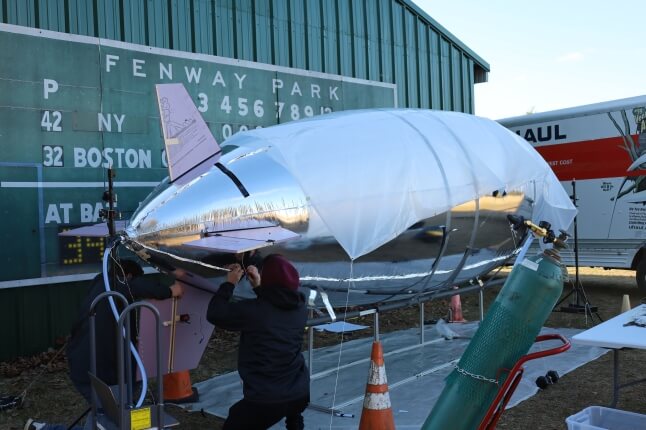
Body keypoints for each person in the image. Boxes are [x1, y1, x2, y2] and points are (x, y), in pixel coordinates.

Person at [25, 259, 185, 430]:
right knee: (110, 416)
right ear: (128, 276)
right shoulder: (117, 285)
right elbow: (136, 286)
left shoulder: (101, 283)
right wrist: (170, 290)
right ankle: (45, 429)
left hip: (85, 362)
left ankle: (42, 428)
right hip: (96, 369)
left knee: (112, 411)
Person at [207, 254, 310, 430]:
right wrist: (259, 287)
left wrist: (229, 283)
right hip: (299, 391)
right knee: (293, 417)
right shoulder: (300, 307)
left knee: (236, 422)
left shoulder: (254, 311)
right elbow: (274, 307)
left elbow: (215, 313)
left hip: (266, 398)